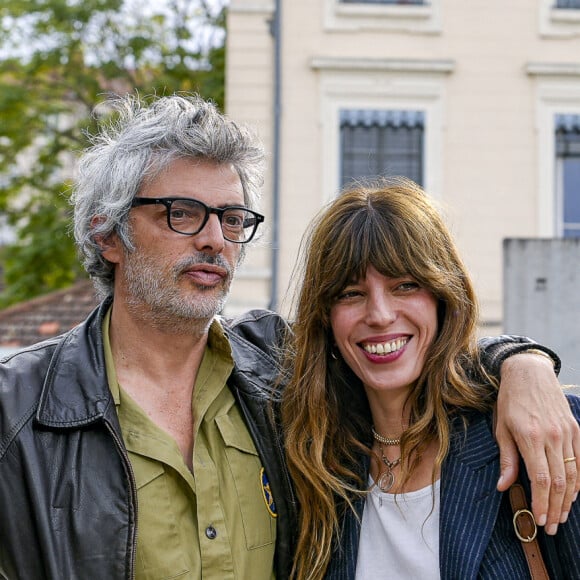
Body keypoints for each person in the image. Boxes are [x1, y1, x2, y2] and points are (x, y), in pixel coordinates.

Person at [0, 94, 576, 580]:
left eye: (231, 219)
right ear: (109, 234)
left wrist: (521, 362)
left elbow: (408, 349)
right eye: (182, 213)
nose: (214, 240)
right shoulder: (18, 413)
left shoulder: (277, 375)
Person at [280, 177, 580, 580]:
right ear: (325, 318)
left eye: (405, 285)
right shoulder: (311, 460)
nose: (380, 314)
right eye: (351, 293)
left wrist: (524, 359)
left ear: (443, 298)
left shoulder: (540, 432)